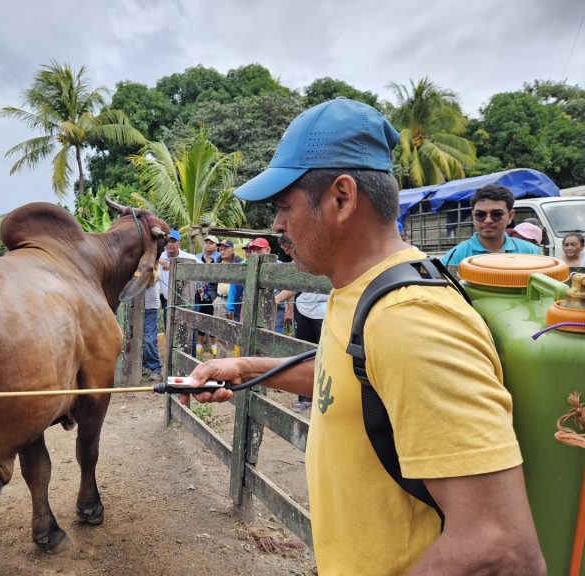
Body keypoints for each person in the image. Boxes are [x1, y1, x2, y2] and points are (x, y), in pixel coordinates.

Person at [182, 99, 544, 575]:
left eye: (284, 206)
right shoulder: (357, 289)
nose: (276, 225)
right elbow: (356, 381)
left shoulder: (410, 321)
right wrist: (247, 369)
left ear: (342, 198)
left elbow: (498, 547)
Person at [441, 185, 541, 265]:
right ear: (473, 216)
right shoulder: (455, 257)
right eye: (480, 215)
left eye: (496, 214)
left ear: (510, 216)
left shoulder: (531, 253)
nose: (488, 220)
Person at [248, 237, 288, 333]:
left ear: (268, 250)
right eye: (253, 249)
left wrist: (276, 300)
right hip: (255, 311)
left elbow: (291, 288)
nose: (256, 252)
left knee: (274, 338)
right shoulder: (251, 267)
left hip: (275, 312)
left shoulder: (280, 266)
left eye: (259, 249)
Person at [158, 230, 196, 328]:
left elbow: (205, 269)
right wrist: (159, 260)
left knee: (190, 330)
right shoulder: (159, 257)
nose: (170, 244)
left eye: (173, 241)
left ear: (179, 243)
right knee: (169, 329)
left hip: (186, 302)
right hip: (168, 302)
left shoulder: (189, 257)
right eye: (168, 241)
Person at [195, 235, 221, 357]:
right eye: (206, 243)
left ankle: (214, 348)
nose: (208, 245)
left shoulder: (219, 258)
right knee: (199, 320)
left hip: (213, 296)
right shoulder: (196, 258)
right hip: (198, 295)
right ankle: (199, 347)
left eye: (211, 243)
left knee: (212, 321)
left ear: (216, 246)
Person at [217, 239, 244, 322]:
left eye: (225, 249)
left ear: (232, 249)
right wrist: (214, 296)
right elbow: (211, 282)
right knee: (217, 327)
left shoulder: (240, 262)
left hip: (234, 301)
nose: (222, 252)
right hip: (220, 299)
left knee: (232, 326)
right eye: (220, 250)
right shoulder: (217, 262)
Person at [142, 278, 163, 382]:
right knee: (139, 339)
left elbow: (153, 279)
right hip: (136, 307)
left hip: (151, 308)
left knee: (149, 339)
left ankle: (156, 368)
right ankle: (145, 365)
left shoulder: (154, 266)